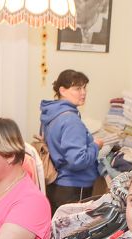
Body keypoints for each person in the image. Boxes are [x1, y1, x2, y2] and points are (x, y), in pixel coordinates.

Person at [40, 69, 103, 213]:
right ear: (62, 90)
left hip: (56, 184)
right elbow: (77, 161)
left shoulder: (51, 114)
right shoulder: (71, 120)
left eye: (84, 88)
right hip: (74, 186)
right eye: (77, 88)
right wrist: (95, 146)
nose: (83, 92)